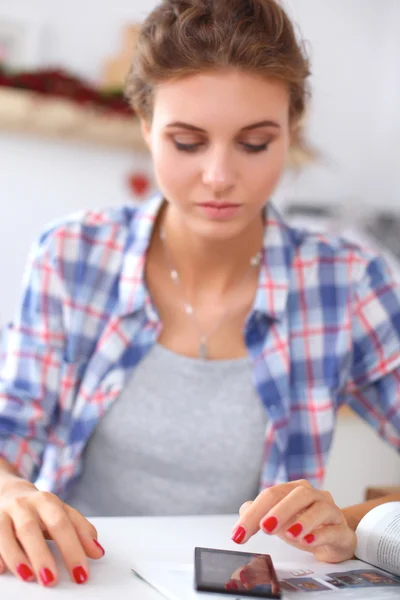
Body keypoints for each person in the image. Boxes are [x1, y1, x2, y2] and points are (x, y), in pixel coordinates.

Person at [0, 0, 399, 589]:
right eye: (187, 142)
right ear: (145, 125)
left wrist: (349, 523)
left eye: (255, 143)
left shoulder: (349, 281)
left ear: (293, 128)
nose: (218, 175)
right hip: (83, 579)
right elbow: (11, 434)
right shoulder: (73, 254)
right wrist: (9, 493)